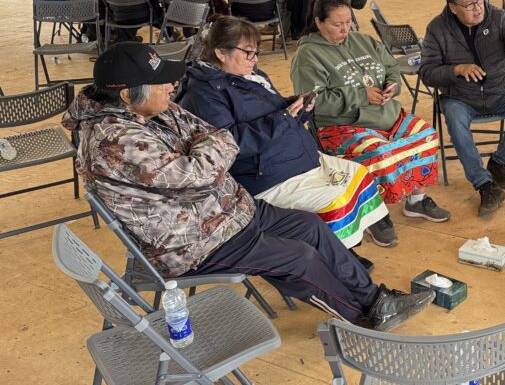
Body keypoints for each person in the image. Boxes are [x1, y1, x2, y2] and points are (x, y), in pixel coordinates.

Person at [64, 41, 433, 330]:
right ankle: (362, 315)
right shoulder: (115, 140)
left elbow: (213, 137)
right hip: (193, 242)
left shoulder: (156, 109)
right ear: (128, 94)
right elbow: (199, 173)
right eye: (160, 82)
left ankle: (376, 298)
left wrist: (207, 150)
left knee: (309, 226)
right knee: (298, 258)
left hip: (229, 211)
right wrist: (208, 151)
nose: (170, 86)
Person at [177, 15, 389, 254]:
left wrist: (297, 108)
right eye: (248, 52)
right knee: (335, 197)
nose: (255, 59)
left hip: (286, 157)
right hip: (263, 175)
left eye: (256, 52)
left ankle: (342, 249)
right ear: (221, 53)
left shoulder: (247, 74)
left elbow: (272, 111)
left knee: (358, 174)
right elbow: (230, 143)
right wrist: (284, 119)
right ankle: (333, 255)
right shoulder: (203, 94)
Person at [291, 0, 448, 246]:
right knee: (377, 153)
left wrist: (391, 86)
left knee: (425, 134)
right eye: (337, 24)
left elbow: (391, 68)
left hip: (386, 115)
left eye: (348, 22)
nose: (345, 29)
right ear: (319, 22)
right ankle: (375, 214)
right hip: (342, 124)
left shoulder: (363, 41)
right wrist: (360, 96)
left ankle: (417, 200)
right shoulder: (308, 56)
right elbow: (313, 101)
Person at [419, 0, 505, 216]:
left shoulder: (496, 16)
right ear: (453, 8)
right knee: (454, 117)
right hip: (461, 98)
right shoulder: (437, 29)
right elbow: (427, 72)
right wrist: (457, 69)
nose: (478, 8)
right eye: (470, 5)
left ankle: (498, 162)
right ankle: (485, 185)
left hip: (498, 92)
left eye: (480, 0)